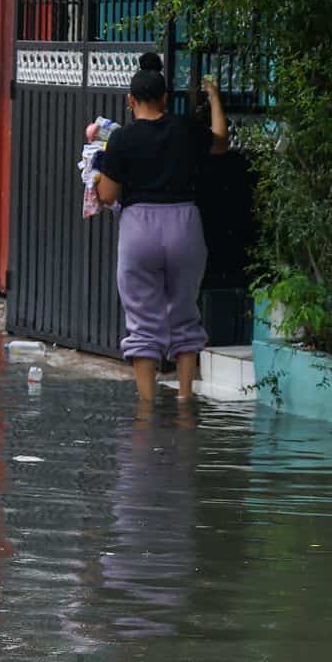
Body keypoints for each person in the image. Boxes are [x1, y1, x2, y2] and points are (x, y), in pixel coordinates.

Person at [94, 52, 229, 404]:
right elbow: (220, 140)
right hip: (185, 225)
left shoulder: (121, 139)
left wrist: (95, 180)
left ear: (130, 101)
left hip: (140, 229)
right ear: (166, 98)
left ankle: (147, 408)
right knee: (185, 315)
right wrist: (214, 96)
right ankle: (185, 401)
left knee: (142, 320)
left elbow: (107, 196)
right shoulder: (186, 128)